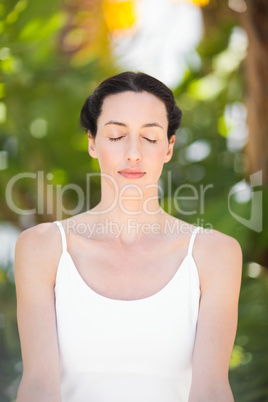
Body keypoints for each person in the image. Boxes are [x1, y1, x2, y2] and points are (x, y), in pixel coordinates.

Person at [15, 72, 242, 402]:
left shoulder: (215, 254)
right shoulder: (42, 248)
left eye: (150, 138)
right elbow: (38, 387)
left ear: (168, 147)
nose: (134, 153)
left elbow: (211, 390)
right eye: (117, 135)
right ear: (93, 142)